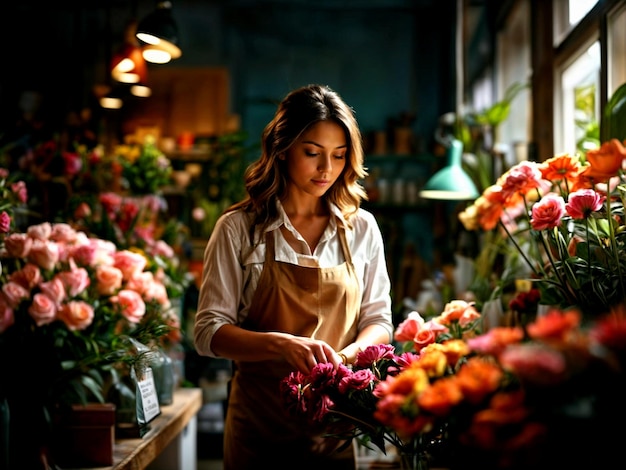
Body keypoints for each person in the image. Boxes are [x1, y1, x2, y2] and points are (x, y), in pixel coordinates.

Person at [193, 84, 394, 469]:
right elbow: (207, 333)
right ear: (282, 149)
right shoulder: (239, 229)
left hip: (335, 428)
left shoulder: (362, 229)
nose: (327, 169)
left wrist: (346, 357)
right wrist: (281, 346)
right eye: (312, 153)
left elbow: (379, 320)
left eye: (338, 156)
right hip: (259, 430)